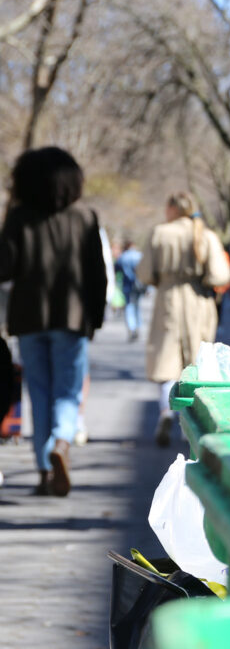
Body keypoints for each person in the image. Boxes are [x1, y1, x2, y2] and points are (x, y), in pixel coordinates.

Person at [0, 147, 107, 496]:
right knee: (67, 390)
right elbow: (97, 274)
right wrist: (97, 317)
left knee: (40, 393)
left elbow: (5, 268)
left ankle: (45, 470)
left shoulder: (19, 218)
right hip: (72, 318)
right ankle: (62, 441)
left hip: (29, 318)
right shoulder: (85, 217)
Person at [137, 193, 230, 446]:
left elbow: (144, 272)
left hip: (167, 300)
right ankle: (187, 424)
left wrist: (163, 279)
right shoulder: (207, 235)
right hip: (198, 302)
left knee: (166, 361)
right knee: (196, 364)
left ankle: (166, 412)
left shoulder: (160, 233)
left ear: (171, 209)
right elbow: (221, 275)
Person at [115, 238, 144, 341]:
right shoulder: (139, 256)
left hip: (127, 285)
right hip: (139, 286)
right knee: (136, 306)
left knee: (129, 307)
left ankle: (132, 328)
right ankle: (137, 326)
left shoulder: (123, 257)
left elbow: (116, 270)